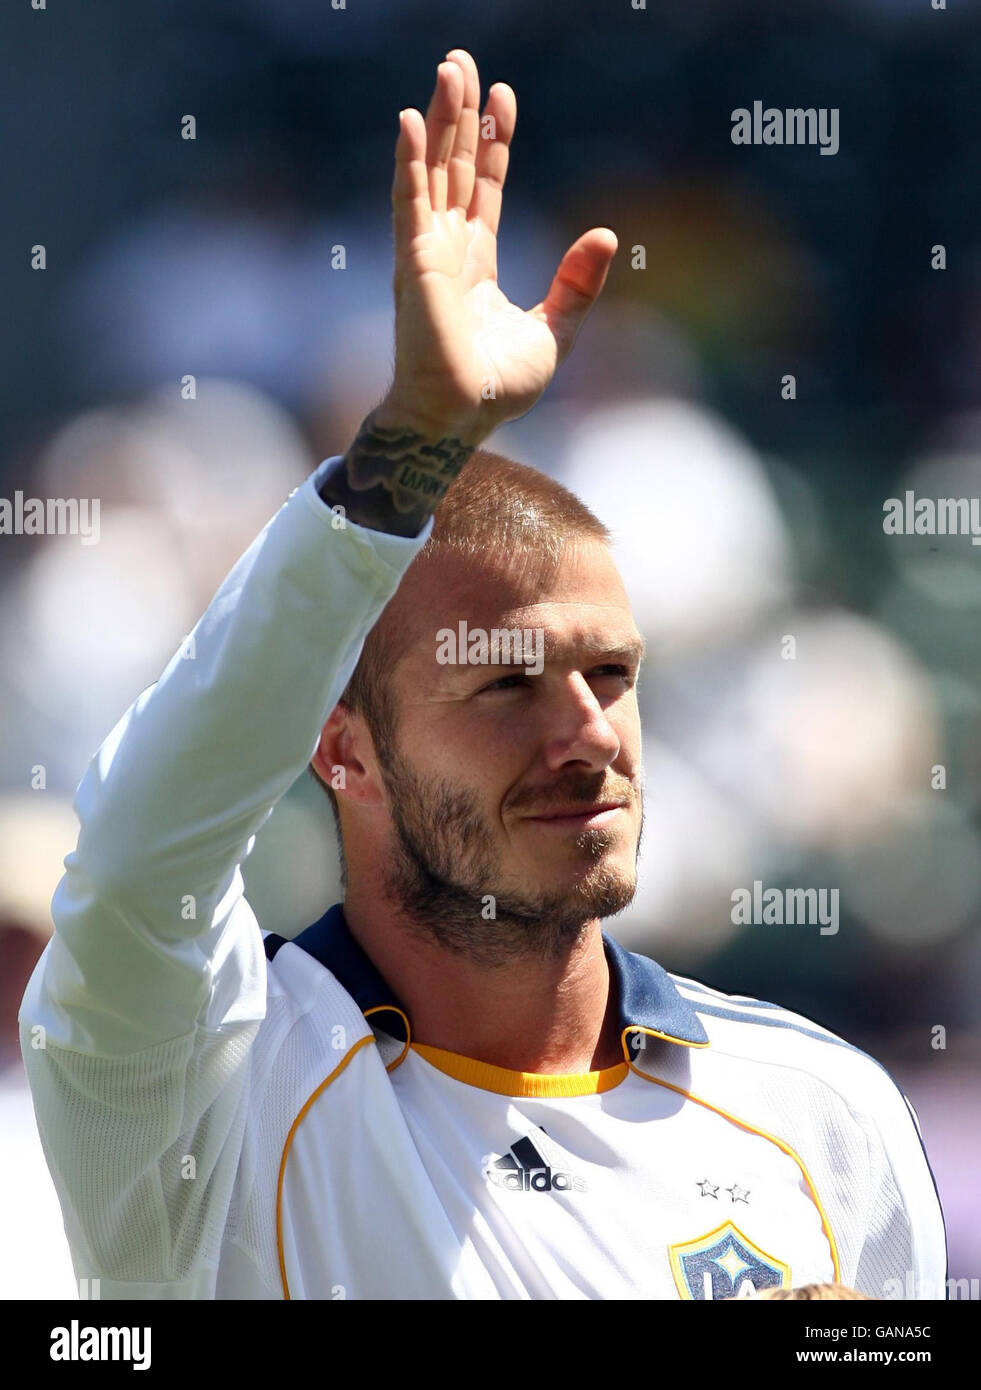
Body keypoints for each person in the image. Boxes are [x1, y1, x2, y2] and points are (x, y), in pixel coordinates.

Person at [20, 49, 945, 1301]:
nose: (587, 732)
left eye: (611, 674)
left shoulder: (825, 1107)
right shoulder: (213, 1090)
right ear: (337, 744)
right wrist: (401, 453)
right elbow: (138, 860)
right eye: (504, 682)